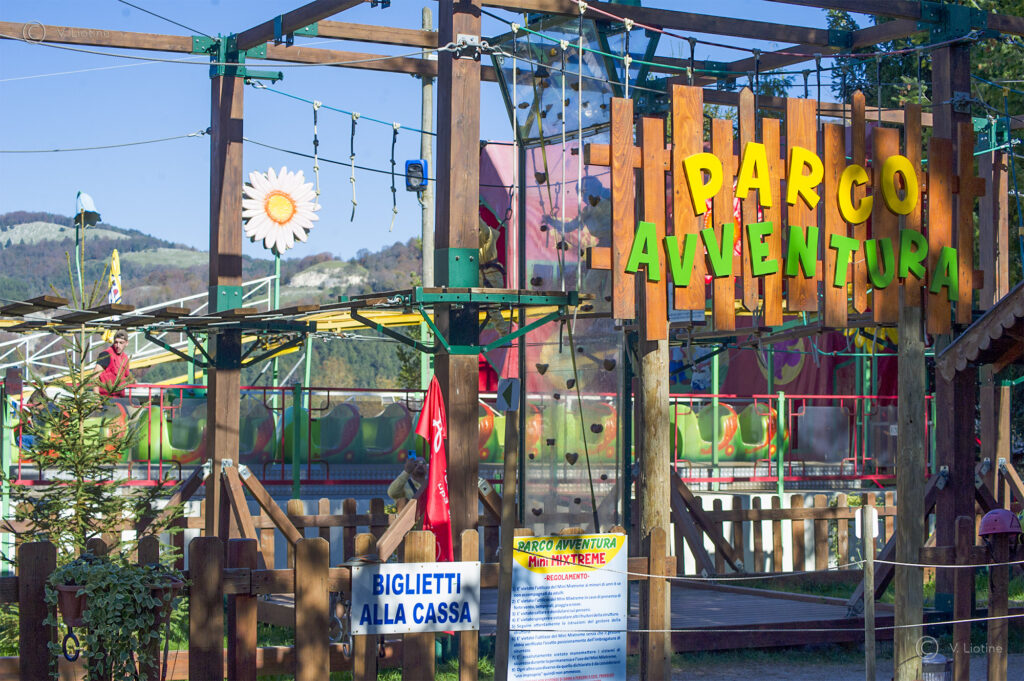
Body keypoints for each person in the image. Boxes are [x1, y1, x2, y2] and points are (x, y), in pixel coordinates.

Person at [95, 329, 132, 397]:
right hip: (105, 398)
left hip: (119, 398)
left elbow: (126, 376)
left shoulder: (125, 358)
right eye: (116, 342)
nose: (118, 345)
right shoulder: (106, 355)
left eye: (121, 343)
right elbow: (95, 377)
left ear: (126, 343)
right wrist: (96, 398)